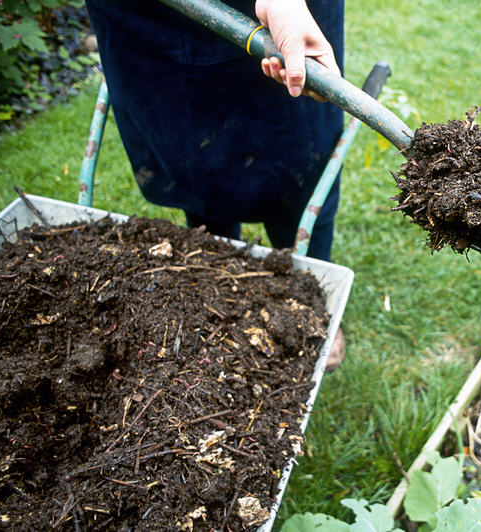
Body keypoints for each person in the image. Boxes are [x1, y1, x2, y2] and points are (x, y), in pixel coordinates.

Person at [84, 0, 346, 368]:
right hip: (151, 20)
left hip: (284, 12)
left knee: (301, 159)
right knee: (191, 158)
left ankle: (313, 298)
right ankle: (219, 293)